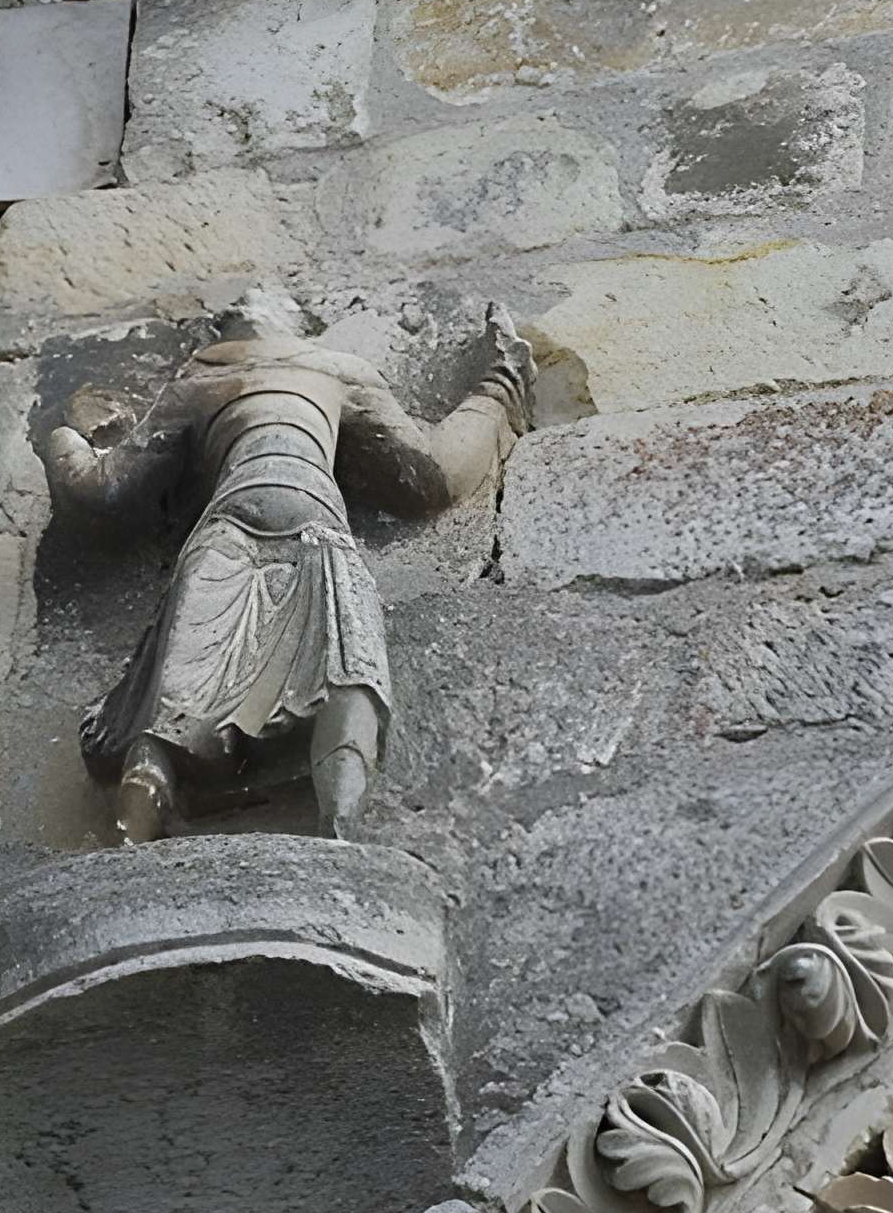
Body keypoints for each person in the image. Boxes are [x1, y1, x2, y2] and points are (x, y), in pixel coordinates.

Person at [41, 292, 534, 841]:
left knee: (184, 682)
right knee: (348, 667)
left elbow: (104, 491)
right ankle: (339, 828)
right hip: (313, 517)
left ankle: (145, 809)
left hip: (229, 521)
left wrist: (65, 442)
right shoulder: (339, 373)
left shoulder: (198, 381)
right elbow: (435, 475)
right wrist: (497, 392)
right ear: (300, 326)